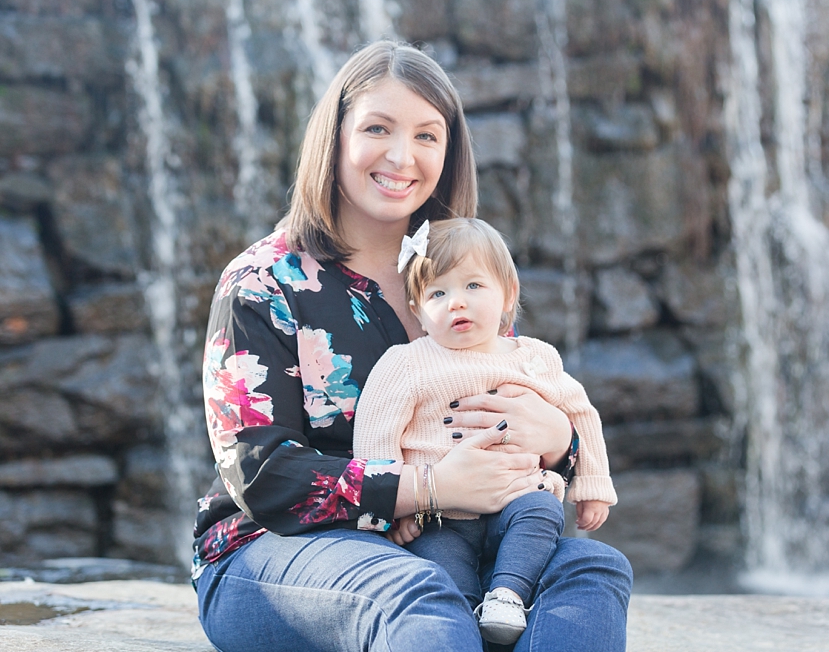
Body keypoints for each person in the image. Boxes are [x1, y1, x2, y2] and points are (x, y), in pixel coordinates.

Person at [192, 40, 632, 652]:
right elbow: (262, 474)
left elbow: (504, 418)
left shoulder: (457, 278)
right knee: (418, 594)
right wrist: (430, 488)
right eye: (378, 128)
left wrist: (561, 442)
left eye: (428, 135)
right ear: (335, 136)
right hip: (272, 551)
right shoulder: (262, 285)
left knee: (592, 572)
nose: (403, 156)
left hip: (463, 534)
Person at [352, 217, 618, 645]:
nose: (457, 303)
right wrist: (392, 513)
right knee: (444, 576)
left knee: (542, 511)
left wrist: (592, 483)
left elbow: (580, 412)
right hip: (437, 517)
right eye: (439, 293)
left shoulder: (533, 358)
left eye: (474, 286)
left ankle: (507, 596)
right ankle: (468, 623)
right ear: (418, 310)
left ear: (508, 294)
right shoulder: (408, 362)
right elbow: (376, 433)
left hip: (513, 499)